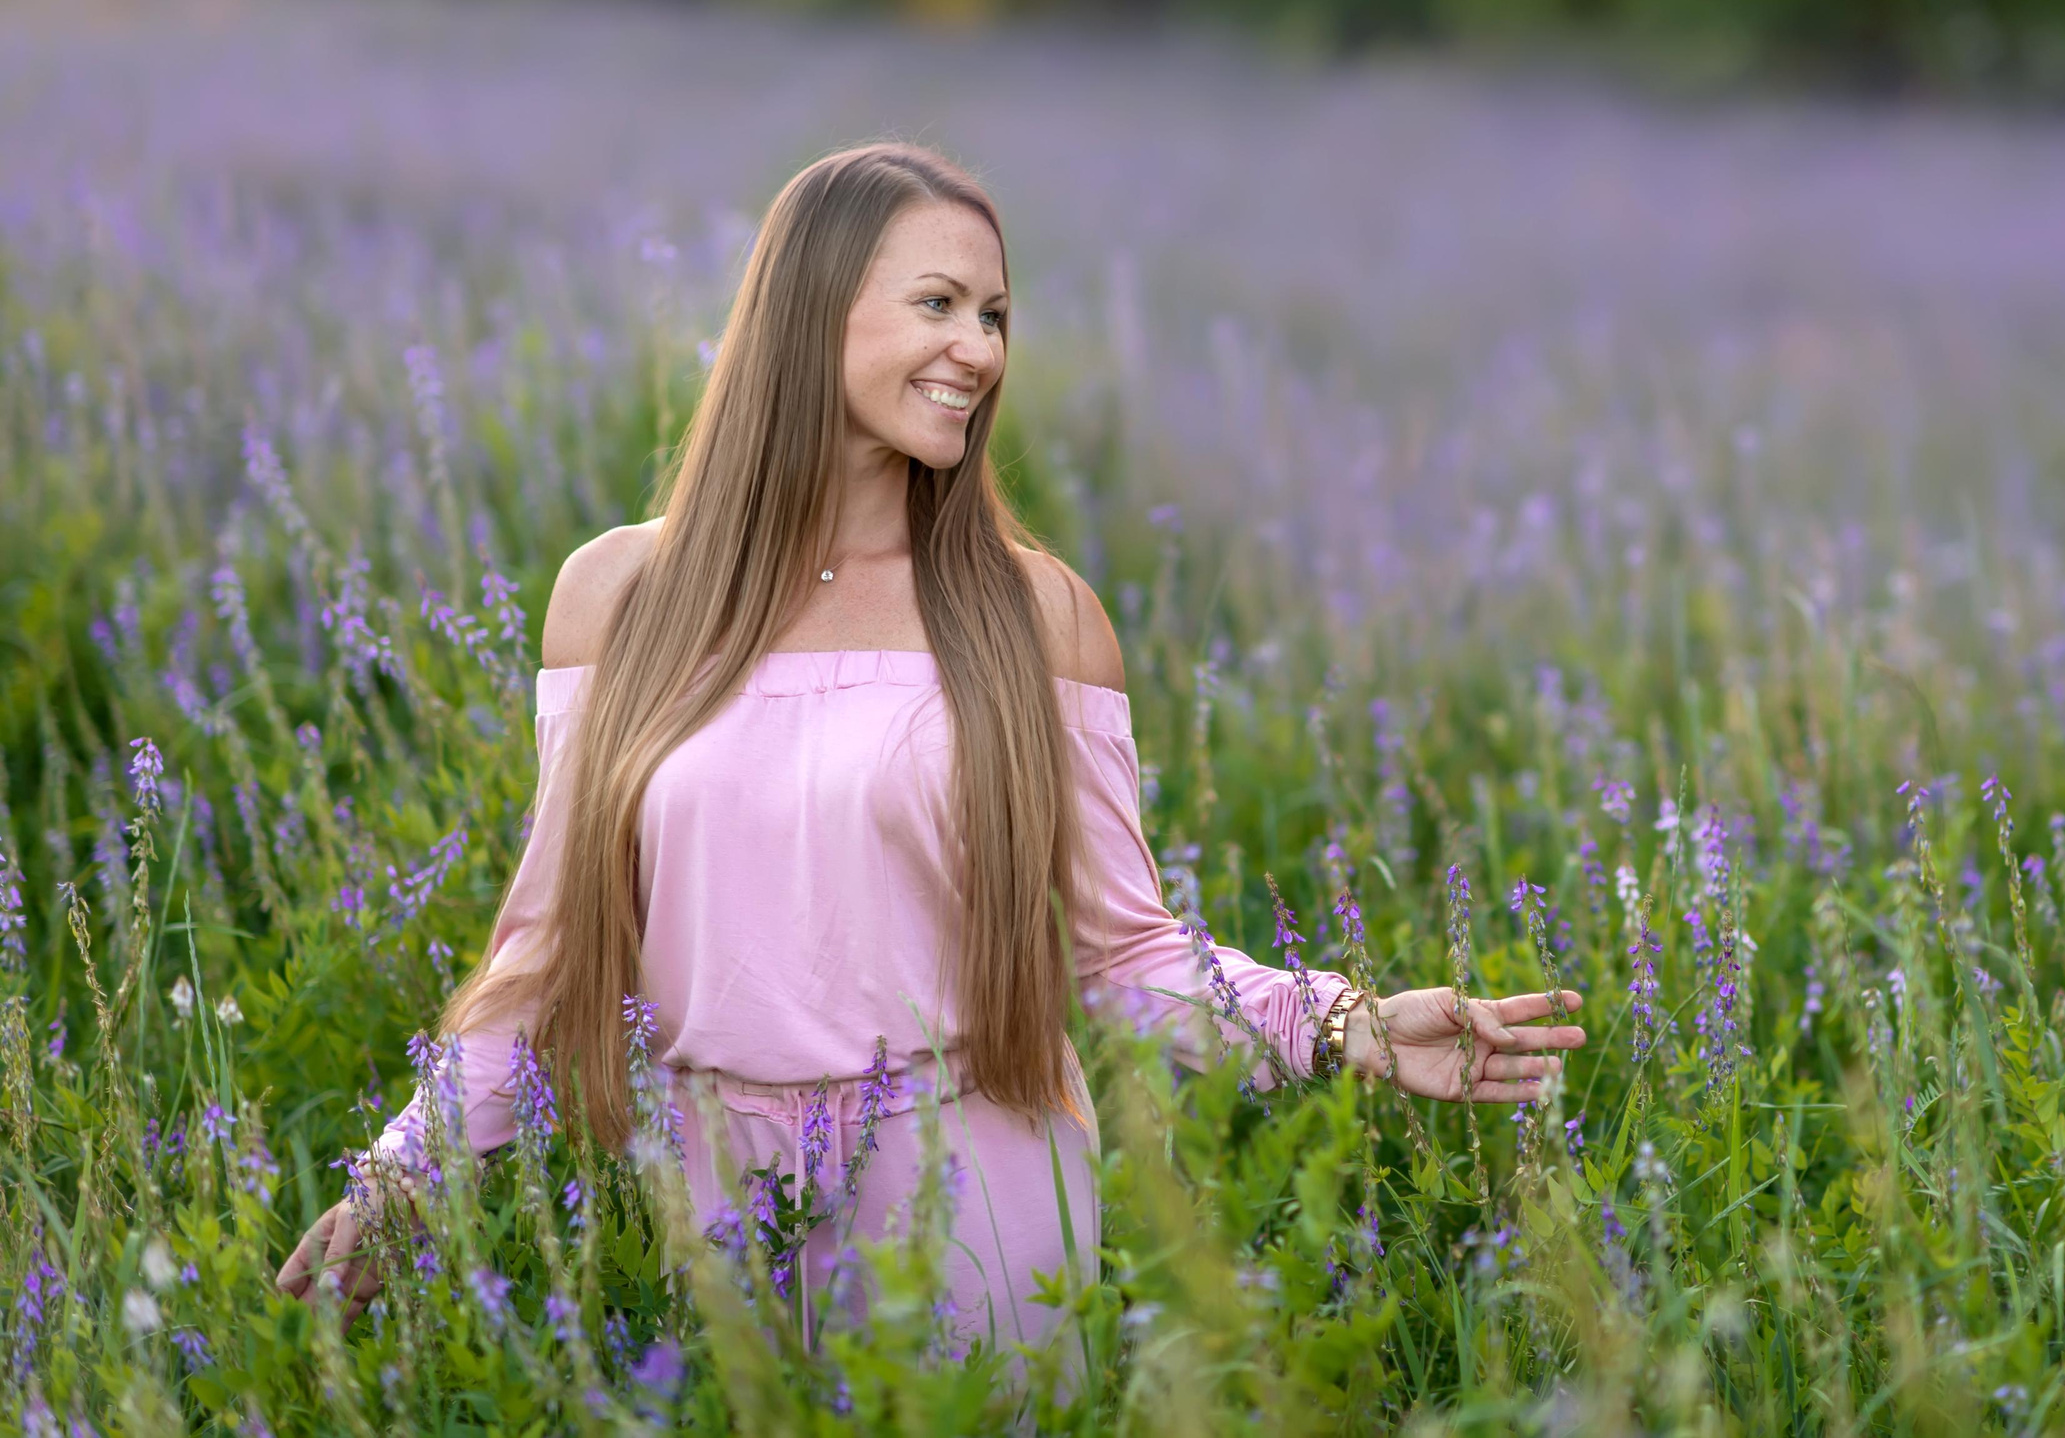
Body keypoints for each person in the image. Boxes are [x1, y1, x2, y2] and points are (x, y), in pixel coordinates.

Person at [275, 141, 1587, 1354]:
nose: (982, 349)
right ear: (811, 312)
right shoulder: (619, 596)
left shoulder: (1034, 612)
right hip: (712, 1200)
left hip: (978, 1192)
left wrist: (1348, 1020)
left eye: (997, 315)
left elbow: (1126, 954)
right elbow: (549, 952)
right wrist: (408, 1169)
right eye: (940, 304)